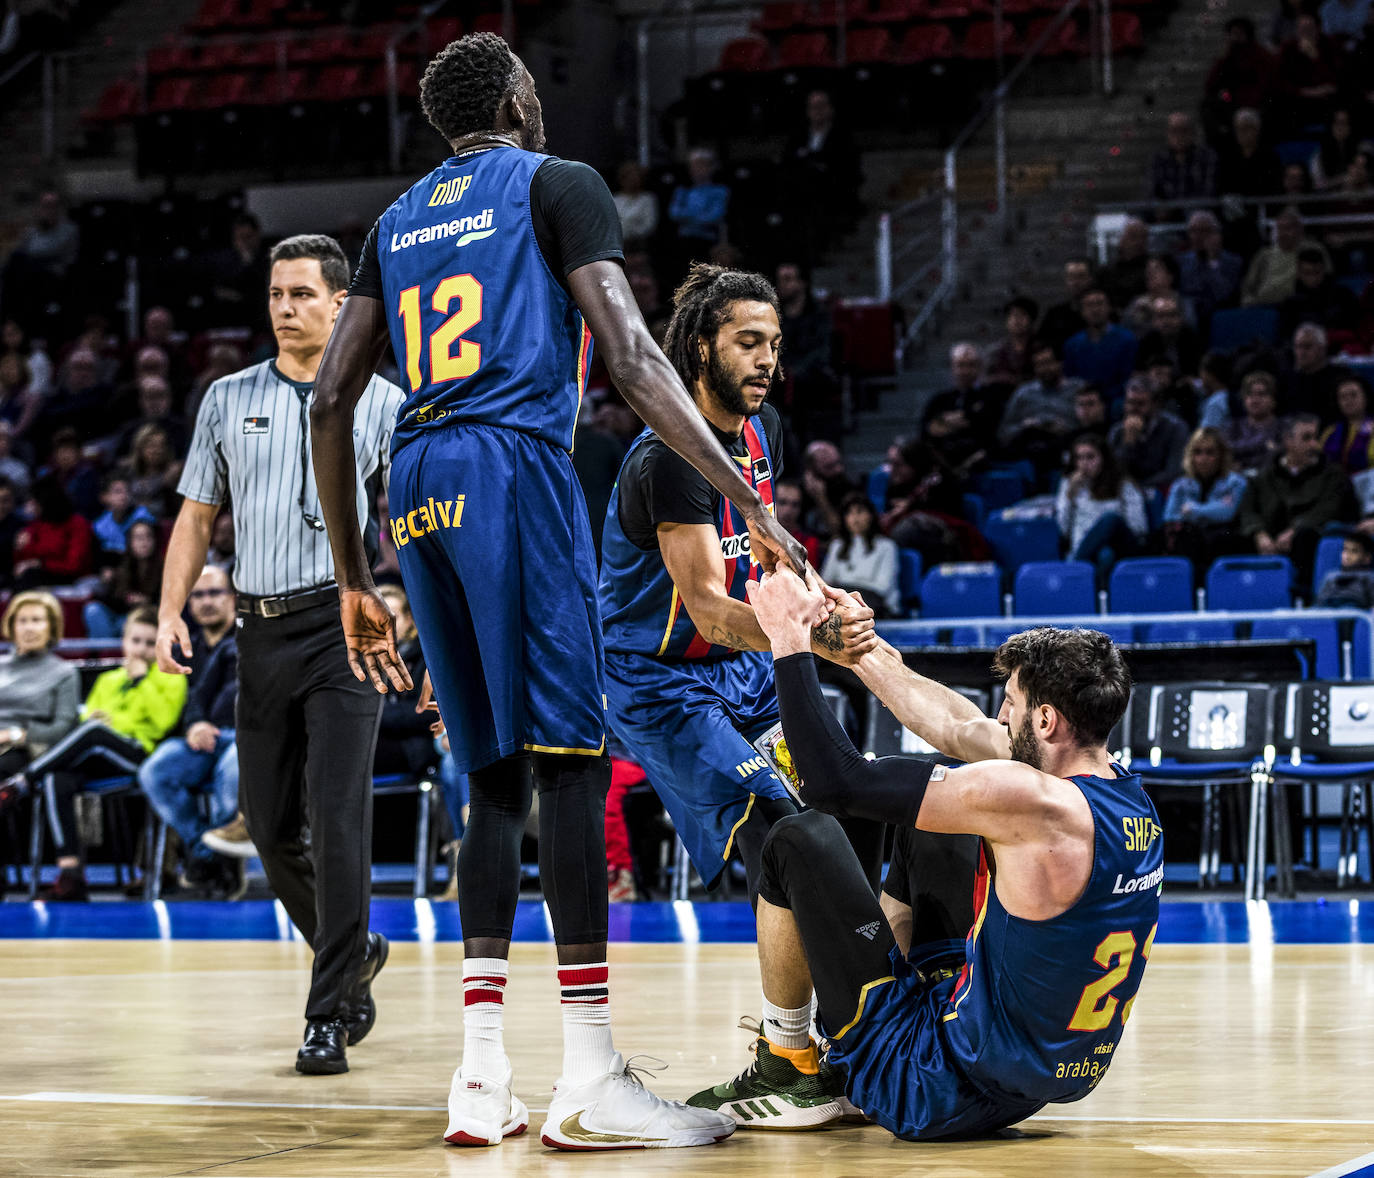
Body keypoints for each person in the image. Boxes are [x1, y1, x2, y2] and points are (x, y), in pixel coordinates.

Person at [308, 32, 803, 1151]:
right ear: (522, 97)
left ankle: (480, 1077)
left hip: (415, 483)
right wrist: (747, 503)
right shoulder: (556, 183)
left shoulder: (393, 223)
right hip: (511, 464)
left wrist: (353, 578)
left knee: (490, 777)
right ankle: (589, 1074)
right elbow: (631, 354)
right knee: (572, 766)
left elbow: (330, 400)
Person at [687, 579, 1160, 1140]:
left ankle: (790, 1067)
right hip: (1025, 1078)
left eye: (1010, 702)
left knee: (800, 838)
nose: (1000, 715)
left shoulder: (1030, 802)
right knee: (940, 810)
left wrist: (788, 639)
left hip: (928, 1086)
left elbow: (832, 783)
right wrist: (860, 648)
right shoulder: (1121, 793)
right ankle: (878, 1019)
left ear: (1046, 721)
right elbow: (956, 726)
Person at [155, 233, 404, 1075]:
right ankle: (355, 945)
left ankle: (328, 1010)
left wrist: (424, 620)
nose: (285, 308)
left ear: (340, 305)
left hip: (344, 630)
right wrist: (169, 612)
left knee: (337, 819)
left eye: (301, 294)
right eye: (275, 294)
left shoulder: (382, 402)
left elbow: (411, 521)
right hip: (258, 632)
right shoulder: (227, 397)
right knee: (265, 826)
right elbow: (194, 517)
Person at [598, 263, 877, 916]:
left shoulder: (763, 429)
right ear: (701, 347)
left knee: (835, 797)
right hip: (660, 677)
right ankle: (796, 1014)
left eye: (774, 344)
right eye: (748, 342)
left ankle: (844, 999)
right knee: (776, 823)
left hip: (744, 667)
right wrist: (819, 641)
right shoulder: (668, 460)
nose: (767, 361)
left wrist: (824, 599)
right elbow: (712, 612)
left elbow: (766, 553)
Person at [5, 607, 185, 901]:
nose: (140, 650)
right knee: (57, 778)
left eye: (148, 643)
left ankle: (22, 782)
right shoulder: (108, 679)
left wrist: (141, 682)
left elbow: (162, 721)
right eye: (134, 640)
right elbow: (88, 718)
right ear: (123, 641)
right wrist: (97, 723)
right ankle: (71, 875)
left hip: (142, 758)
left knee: (94, 734)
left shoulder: (169, 676)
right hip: (101, 756)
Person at [138, 565, 240, 895]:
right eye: (198, 595)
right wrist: (195, 724)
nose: (206, 601)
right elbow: (182, 699)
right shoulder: (182, 647)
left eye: (215, 593)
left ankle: (221, 855)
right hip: (197, 740)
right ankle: (205, 850)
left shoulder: (250, 637)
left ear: (233, 597)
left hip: (243, 736)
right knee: (156, 771)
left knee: (234, 771)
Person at [1237, 412, 1359, 589]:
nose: (1314, 445)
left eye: (1316, 438)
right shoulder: (1264, 477)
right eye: (1306, 438)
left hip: (1308, 538)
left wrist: (1294, 530)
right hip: (1268, 539)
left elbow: (1327, 509)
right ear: (1288, 440)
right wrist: (1259, 534)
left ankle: (1304, 597)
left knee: (1305, 537)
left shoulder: (1333, 476)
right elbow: (1247, 510)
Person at [0, 591, 80, 814]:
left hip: (26, 752)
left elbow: (62, 730)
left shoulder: (65, 672)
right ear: (12, 626)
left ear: (51, 627)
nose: (28, 628)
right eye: (22, 621)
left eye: (37, 620)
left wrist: (14, 735)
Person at [1056, 433, 1150, 579]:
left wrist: (1103, 532)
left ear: (1103, 459)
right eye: (1079, 458)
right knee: (1105, 555)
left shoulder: (1123, 484)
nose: (1084, 464)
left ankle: (1075, 571)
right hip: (1085, 547)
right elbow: (1063, 529)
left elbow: (1139, 528)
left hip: (1122, 547)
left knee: (1110, 520)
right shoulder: (1069, 485)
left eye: (1090, 457)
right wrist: (1069, 496)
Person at [1162, 427, 1250, 572]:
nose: (1203, 459)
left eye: (1210, 452)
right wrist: (1213, 509)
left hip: (1222, 537)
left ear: (1221, 455)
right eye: (1197, 452)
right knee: (1186, 536)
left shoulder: (1236, 483)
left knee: (1221, 537)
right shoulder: (1180, 485)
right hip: (1192, 538)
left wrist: (1193, 509)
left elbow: (1227, 513)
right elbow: (1170, 517)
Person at [821, 493, 899, 616]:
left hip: (878, 606)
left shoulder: (886, 546)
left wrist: (845, 588)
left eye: (860, 512)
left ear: (871, 515)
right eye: (849, 513)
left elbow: (882, 588)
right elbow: (826, 582)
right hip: (844, 604)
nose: (855, 518)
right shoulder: (837, 545)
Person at [83, 518, 162, 640]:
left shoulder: (164, 568)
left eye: (148, 537)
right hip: (120, 615)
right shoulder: (121, 565)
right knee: (92, 610)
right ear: (130, 541)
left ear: (155, 540)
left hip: (147, 616)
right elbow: (111, 602)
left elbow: (165, 602)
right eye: (139, 538)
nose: (144, 542)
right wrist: (110, 585)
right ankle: (106, 655)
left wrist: (146, 601)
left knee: (127, 622)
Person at [1108, 377, 1190, 491]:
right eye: (1130, 402)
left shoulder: (1175, 428)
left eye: (1140, 404)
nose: (1133, 409)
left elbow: (1174, 472)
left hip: (1160, 492)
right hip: (1127, 493)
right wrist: (1128, 444)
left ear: (1155, 405)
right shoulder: (1117, 431)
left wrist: (1140, 487)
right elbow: (1113, 473)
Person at [12, 475, 91, 590]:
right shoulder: (35, 524)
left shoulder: (77, 524)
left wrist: (41, 564)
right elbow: (21, 564)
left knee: (30, 577)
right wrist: (18, 548)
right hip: (38, 575)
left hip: (69, 578)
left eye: (34, 501)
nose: (30, 506)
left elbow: (73, 566)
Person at [1242, 208, 1331, 307]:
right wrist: (1247, 300)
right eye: (1280, 228)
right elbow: (1248, 285)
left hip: (1297, 305)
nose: (1283, 233)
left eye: (1288, 228)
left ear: (1300, 229)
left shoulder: (1314, 249)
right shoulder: (1264, 254)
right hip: (1261, 305)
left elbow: (1325, 277)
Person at [1063, 289, 1137, 406]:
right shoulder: (1073, 344)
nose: (1095, 310)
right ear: (1082, 311)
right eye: (1089, 305)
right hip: (1083, 401)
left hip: (1116, 399)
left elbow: (1128, 377)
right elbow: (1071, 379)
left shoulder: (1127, 340)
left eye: (1100, 304)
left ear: (1109, 307)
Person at [1148, 111, 1217, 203]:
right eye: (1174, 130)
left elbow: (1208, 193)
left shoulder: (1206, 157)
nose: (1179, 136)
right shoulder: (1159, 158)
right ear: (1168, 133)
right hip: (1165, 212)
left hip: (1196, 210)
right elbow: (1151, 192)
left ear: (1193, 132)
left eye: (1184, 130)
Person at [1226, 370, 1285, 473]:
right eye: (1249, 394)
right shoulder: (1233, 427)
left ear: (1273, 400)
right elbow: (1226, 451)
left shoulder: (1283, 428)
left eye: (1261, 394)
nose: (1255, 400)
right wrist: (1264, 444)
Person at [1321, 376, 1374, 476]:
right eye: (1343, 397)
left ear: (1366, 397)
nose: (1348, 400)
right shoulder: (1331, 432)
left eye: (1353, 395)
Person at [1315, 529, 1374, 607]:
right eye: (1345, 550)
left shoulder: (1369, 577)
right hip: (1329, 609)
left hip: (1355, 613)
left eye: (1354, 551)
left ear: (1367, 558)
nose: (1347, 555)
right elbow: (1320, 601)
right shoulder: (1330, 576)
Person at [611, 160, 658, 248]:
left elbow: (649, 225)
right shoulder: (615, 199)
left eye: (636, 177)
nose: (632, 180)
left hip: (640, 244)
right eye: (628, 177)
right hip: (618, 245)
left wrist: (631, 233)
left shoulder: (647, 198)